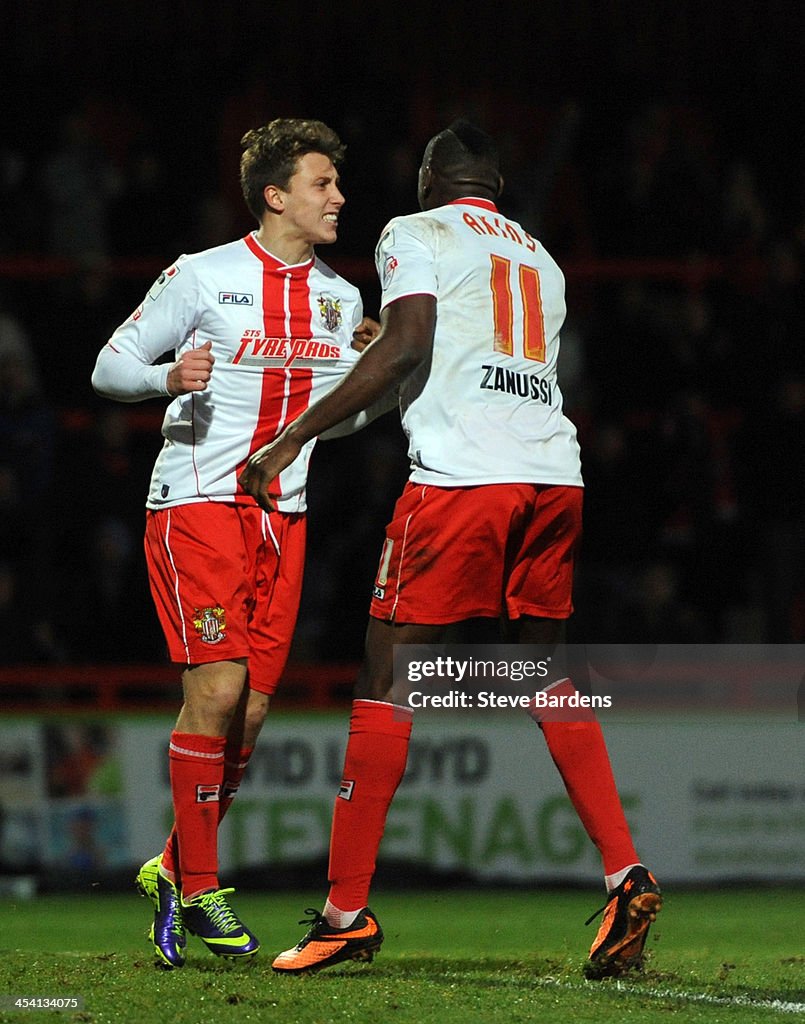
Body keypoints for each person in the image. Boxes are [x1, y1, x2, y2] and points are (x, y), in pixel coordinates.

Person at [240, 120, 662, 978]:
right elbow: (481, 354)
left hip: (463, 482)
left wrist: (292, 439)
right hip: (553, 475)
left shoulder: (414, 231)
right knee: (540, 674)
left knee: (387, 674)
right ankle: (625, 873)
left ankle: (344, 913)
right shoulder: (542, 259)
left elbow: (412, 345)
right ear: (495, 185)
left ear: (430, 176)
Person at [92, 118, 388, 969]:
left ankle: (170, 868)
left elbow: (344, 423)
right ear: (275, 194)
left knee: (251, 710)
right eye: (323, 184)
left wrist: (379, 378)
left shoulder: (339, 300)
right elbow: (108, 367)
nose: (338, 198)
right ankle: (204, 888)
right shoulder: (202, 276)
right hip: (198, 505)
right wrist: (163, 378)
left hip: (283, 516)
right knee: (216, 692)